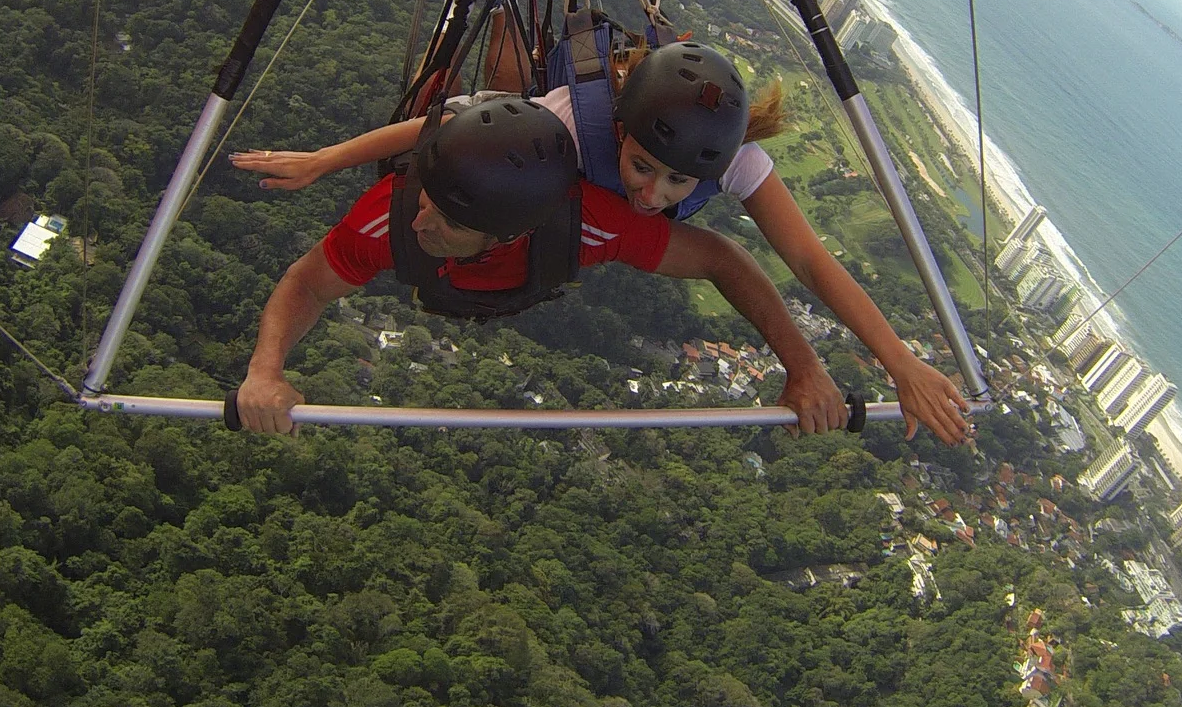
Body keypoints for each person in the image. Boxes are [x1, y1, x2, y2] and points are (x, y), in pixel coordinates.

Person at [234, 41, 973, 443]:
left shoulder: (705, 171)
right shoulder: (551, 132)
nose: (653, 197)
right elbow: (444, 132)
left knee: (569, 160)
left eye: (677, 186)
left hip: (574, 186)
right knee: (499, 90)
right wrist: (327, 160)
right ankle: (507, 0)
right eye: (644, 169)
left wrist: (888, 363)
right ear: (618, 131)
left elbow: (803, 259)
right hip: (524, 121)